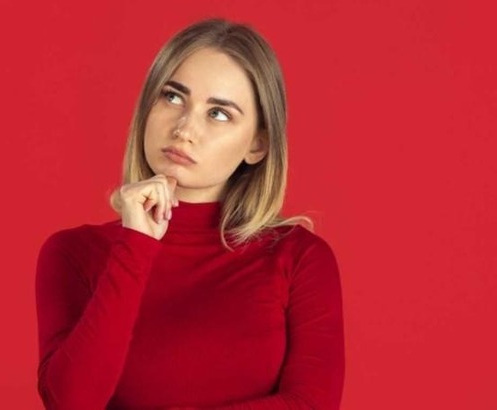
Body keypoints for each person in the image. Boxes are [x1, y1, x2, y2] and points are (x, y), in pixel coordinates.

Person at [35, 18, 345, 410]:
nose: (184, 129)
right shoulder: (74, 253)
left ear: (258, 145)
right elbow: (72, 402)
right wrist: (136, 246)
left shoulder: (298, 258)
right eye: (172, 97)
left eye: (219, 114)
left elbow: (311, 404)